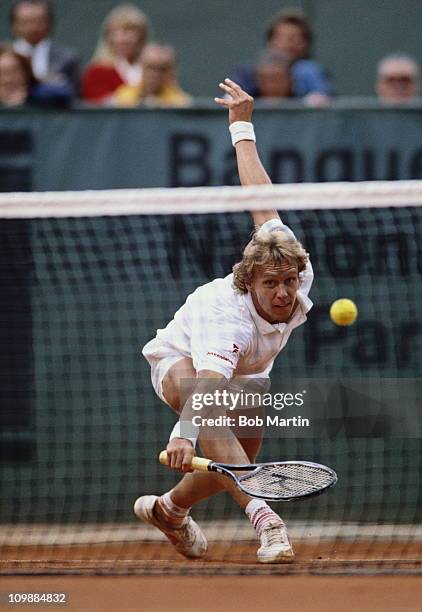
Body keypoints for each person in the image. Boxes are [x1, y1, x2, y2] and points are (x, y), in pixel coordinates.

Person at [134, 79, 314, 564]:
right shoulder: (226, 317)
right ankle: (267, 522)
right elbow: (207, 385)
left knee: (235, 464)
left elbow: (260, 194)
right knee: (212, 419)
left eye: (289, 282)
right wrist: (183, 435)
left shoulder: (294, 266)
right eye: (271, 284)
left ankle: (169, 511)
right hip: (182, 362)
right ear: (249, 281)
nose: (283, 293)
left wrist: (242, 126)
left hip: (247, 374)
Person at [232, 7, 333, 106]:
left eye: (296, 38)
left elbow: (322, 101)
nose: (288, 44)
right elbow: (230, 101)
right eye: (282, 37)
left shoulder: (308, 71)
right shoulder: (249, 71)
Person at [10, 0, 80, 99]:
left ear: (50, 24)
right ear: (14, 25)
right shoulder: (4, 55)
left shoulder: (68, 58)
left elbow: (74, 97)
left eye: (38, 21)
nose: (32, 27)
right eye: (25, 22)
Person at [81, 3, 149, 104]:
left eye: (129, 31)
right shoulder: (97, 72)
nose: (122, 39)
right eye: (115, 33)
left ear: (142, 36)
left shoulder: (155, 69)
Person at [113, 43, 192, 107]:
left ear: (172, 72)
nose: (155, 74)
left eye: (162, 69)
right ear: (141, 66)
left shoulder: (183, 104)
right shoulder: (121, 97)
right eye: (151, 67)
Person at [0, 42, 69, 108]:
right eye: (2, 73)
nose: (8, 79)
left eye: (13, 72)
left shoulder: (36, 93)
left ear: (25, 73)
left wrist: (28, 95)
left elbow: (63, 94)